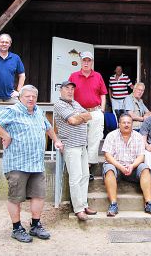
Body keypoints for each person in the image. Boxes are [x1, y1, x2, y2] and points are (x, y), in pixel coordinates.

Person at [0, 85, 63, 243]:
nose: (31, 99)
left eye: (34, 97)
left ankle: (35, 225)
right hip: (17, 163)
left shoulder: (38, 112)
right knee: (16, 197)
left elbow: (48, 127)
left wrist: (56, 140)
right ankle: (16, 228)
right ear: (20, 97)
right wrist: (6, 136)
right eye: (27, 96)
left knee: (39, 195)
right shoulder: (13, 110)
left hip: (36, 163)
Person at [54, 81, 97, 221]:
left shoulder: (75, 103)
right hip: (71, 145)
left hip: (82, 145)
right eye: (67, 88)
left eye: (72, 88)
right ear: (61, 90)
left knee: (85, 176)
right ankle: (78, 209)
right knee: (76, 178)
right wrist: (79, 117)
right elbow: (72, 120)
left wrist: (79, 117)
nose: (70, 91)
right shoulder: (59, 104)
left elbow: (89, 116)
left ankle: (84, 205)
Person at [102, 114, 151, 217]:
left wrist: (132, 166)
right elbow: (107, 156)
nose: (126, 125)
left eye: (129, 122)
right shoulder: (111, 135)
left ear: (132, 124)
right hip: (116, 167)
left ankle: (149, 203)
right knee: (109, 169)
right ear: (119, 124)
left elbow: (141, 156)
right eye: (123, 122)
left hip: (133, 167)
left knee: (145, 168)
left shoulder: (138, 137)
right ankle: (113, 204)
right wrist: (120, 167)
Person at [69, 51, 108, 180]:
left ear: (91, 62)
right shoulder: (74, 76)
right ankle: (81, 168)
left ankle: (88, 168)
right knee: (80, 140)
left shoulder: (98, 76)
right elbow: (69, 94)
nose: (86, 63)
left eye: (88, 60)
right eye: (84, 60)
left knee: (94, 140)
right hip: (80, 112)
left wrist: (101, 109)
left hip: (95, 111)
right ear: (81, 61)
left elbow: (103, 94)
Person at [0, 33, 26, 102]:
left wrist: (18, 91)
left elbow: (22, 75)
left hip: (11, 95)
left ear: (10, 44)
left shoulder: (15, 58)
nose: (4, 44)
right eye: (2, 42)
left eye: (7, 42)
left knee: (16, 111)